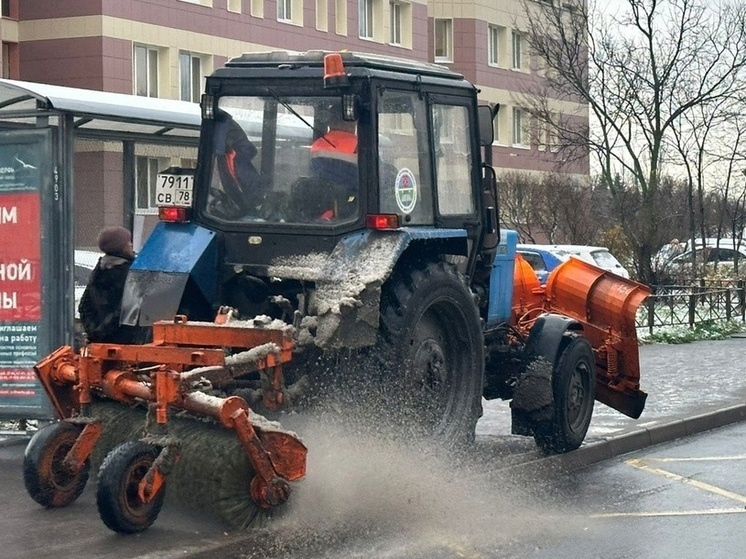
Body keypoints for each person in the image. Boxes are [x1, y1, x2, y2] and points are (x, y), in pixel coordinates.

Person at [78, 226, 141, 344]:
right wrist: (105, 332)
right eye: (128, 242)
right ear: (121, 247)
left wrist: (94, 332)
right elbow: (127, 309)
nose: (131, 245)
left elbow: (84, 307)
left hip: (101, 339)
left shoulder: (99, 271)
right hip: (126, 342)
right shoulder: (129, 272)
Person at [307, 112, 359, 220]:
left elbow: (315, 172)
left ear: (330, 123)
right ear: (351, 124)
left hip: (320, 202)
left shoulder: (317, 144)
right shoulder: (358, 145)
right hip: (347, 206)